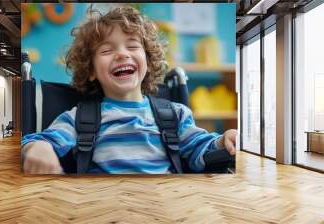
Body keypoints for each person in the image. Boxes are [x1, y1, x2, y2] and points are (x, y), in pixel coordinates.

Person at [21, 6, 237, 174]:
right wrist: (38, 148)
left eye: (132, 46)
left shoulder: (174, 115)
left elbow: (201, 148)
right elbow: (37, 140)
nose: (122, 54)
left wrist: (223, 140)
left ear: (148, 61)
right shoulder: (80, 118)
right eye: (106, 50)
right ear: (91, 70)